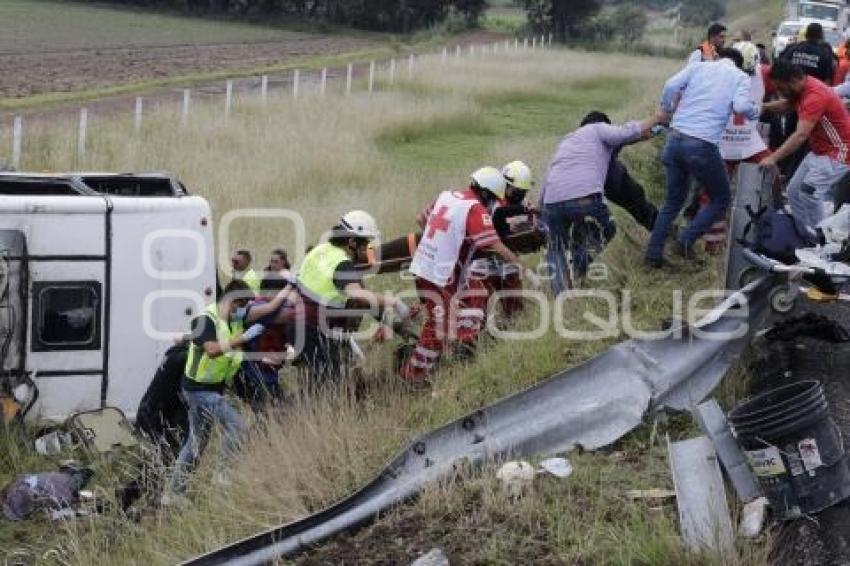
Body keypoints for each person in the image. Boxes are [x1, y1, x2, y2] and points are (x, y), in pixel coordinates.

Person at [162, 279, 295, 504]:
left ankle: (173, 493)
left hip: (211, 388)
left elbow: (270, 311)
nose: (243, 309)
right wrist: (243, 338)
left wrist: (291, 285)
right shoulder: (206, 320)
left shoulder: (231, 320)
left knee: (196, 442)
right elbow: (213, 350)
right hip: (199, 390)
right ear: (232, 300)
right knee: (238, 426)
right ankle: (222, 477)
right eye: (241, 303)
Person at [401, 167, 535, 383]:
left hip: (426, 265)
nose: (492, 204)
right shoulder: (475, 209)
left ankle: (453, 356)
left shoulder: (447, 196)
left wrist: (442, 242)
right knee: (441, 324)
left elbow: (421, 219)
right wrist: (522, 267)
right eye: (492, 199)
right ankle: (413, 376)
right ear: (486, 193)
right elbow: (494, 244)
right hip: (441, 273)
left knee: (460, 311)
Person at [646, 47, 760, 268]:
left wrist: (667, 108)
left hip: (674, 139)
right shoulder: (740, 77)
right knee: (721, 198)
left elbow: (670, 86)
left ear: (719, 57)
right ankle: (686, 241)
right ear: (740, 64)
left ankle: (653, 255)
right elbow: (741, 106)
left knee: (672, 202)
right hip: (702, 145)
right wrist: (755, 111)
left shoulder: (698, 67)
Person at [540, 110, 662, 291]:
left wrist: (540, 208)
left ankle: (561, 297)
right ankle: (578, 263)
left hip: (551, 201)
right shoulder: (598, 129)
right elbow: (628, 132)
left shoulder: (568, 141)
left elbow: (548, 175)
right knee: (607, 229)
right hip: (585, 197)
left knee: (556, 248)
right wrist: (658, 118)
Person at [293, 210, 410, 384]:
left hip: (297, 326)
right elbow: (357, 294)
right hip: (315, 332)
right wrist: (395, 301)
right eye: (365, 244)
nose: (366, 250)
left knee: (326, 380)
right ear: (352, 242)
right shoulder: (342, 263)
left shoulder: (320, 250)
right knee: (329, 386)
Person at [761, 60, 850, 234]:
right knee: (794, 192)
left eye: (781, 88)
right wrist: (763, 108)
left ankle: (821, 238)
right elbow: (787, 104)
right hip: (820, 151)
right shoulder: (802, 88)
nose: (780, 92)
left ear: (792, 81)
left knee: (810, 192)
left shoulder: (814, 95)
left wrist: (773, 158)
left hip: (840, 151)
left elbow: (800, 135)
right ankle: (805, 233)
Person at [468, 160, 538, 320]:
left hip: (508, 262)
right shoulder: (490, 199)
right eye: (517, 191)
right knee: (478, 310)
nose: (519, 195)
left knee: (515, 310)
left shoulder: (520, 203)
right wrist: (523, 210)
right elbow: (499, 214)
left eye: (522, 192)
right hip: (482, 262)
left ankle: (509, 331)